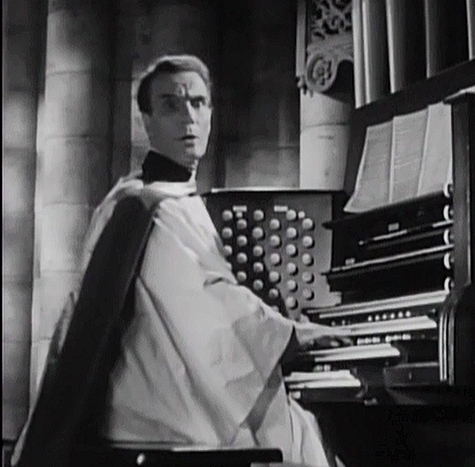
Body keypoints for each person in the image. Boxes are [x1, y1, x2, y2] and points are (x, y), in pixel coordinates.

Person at [13, 55, 347, 467]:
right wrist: (292, 333)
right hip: (151, 412)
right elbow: (211, 309)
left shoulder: (140, 199)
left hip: (142, 399)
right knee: (301, 435)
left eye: (198, 103)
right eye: (171, 105)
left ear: (210, 115)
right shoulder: (156, 208)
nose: (188, 117)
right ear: (147, 122)